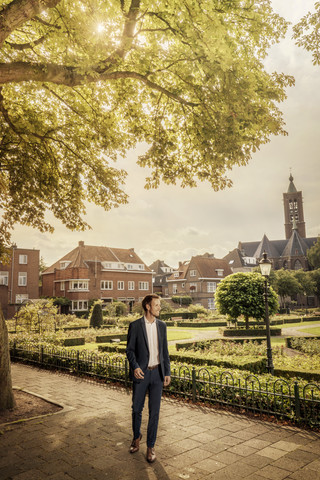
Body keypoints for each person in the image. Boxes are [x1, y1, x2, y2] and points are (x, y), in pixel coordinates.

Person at [126, 294, 171, 463]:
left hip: (157, 375)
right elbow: (129, 350)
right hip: (141, 373)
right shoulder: (135, 326)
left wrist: (167, 372)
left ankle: (151, 446)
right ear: (148, 307)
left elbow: (164, 352)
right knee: (136, 409)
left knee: (155, 413)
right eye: (157, 305)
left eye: (159, 305)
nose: (159, 308)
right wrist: (135, 366)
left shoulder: (162, 326)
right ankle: (136, 437)